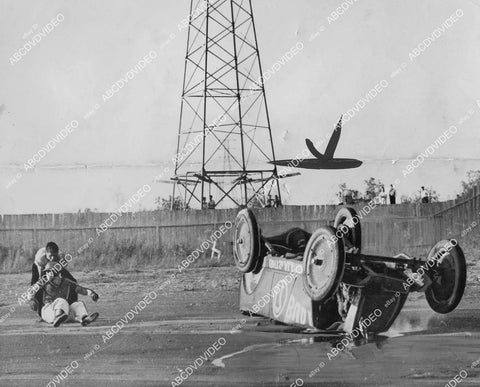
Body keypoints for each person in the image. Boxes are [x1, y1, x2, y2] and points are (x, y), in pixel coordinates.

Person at [27, 261, 99, 328]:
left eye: (51, 272)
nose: (49, 274)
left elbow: (80, 289)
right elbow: (31, 291)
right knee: (61, 301)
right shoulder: (43, 282)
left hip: (64, 310)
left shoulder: (67, 282)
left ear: (59, 273)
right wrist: (31, 300)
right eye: (47, 272)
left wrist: (91, 293)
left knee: (78, 304)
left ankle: (84, 318)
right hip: (48, 310)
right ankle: (58, 317)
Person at [30, 242, 78, 318]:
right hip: (41, 268)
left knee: (72, 283)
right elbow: (36, 282)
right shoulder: (40, 260)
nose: (52, 258)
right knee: (40, 285)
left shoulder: (61, 259)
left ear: (57, 254)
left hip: (55, 267)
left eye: (54, 256)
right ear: (46, 253)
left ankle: (72, 306)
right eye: (50, 256)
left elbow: (64, 274)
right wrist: (32, 299)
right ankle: (41, 308)